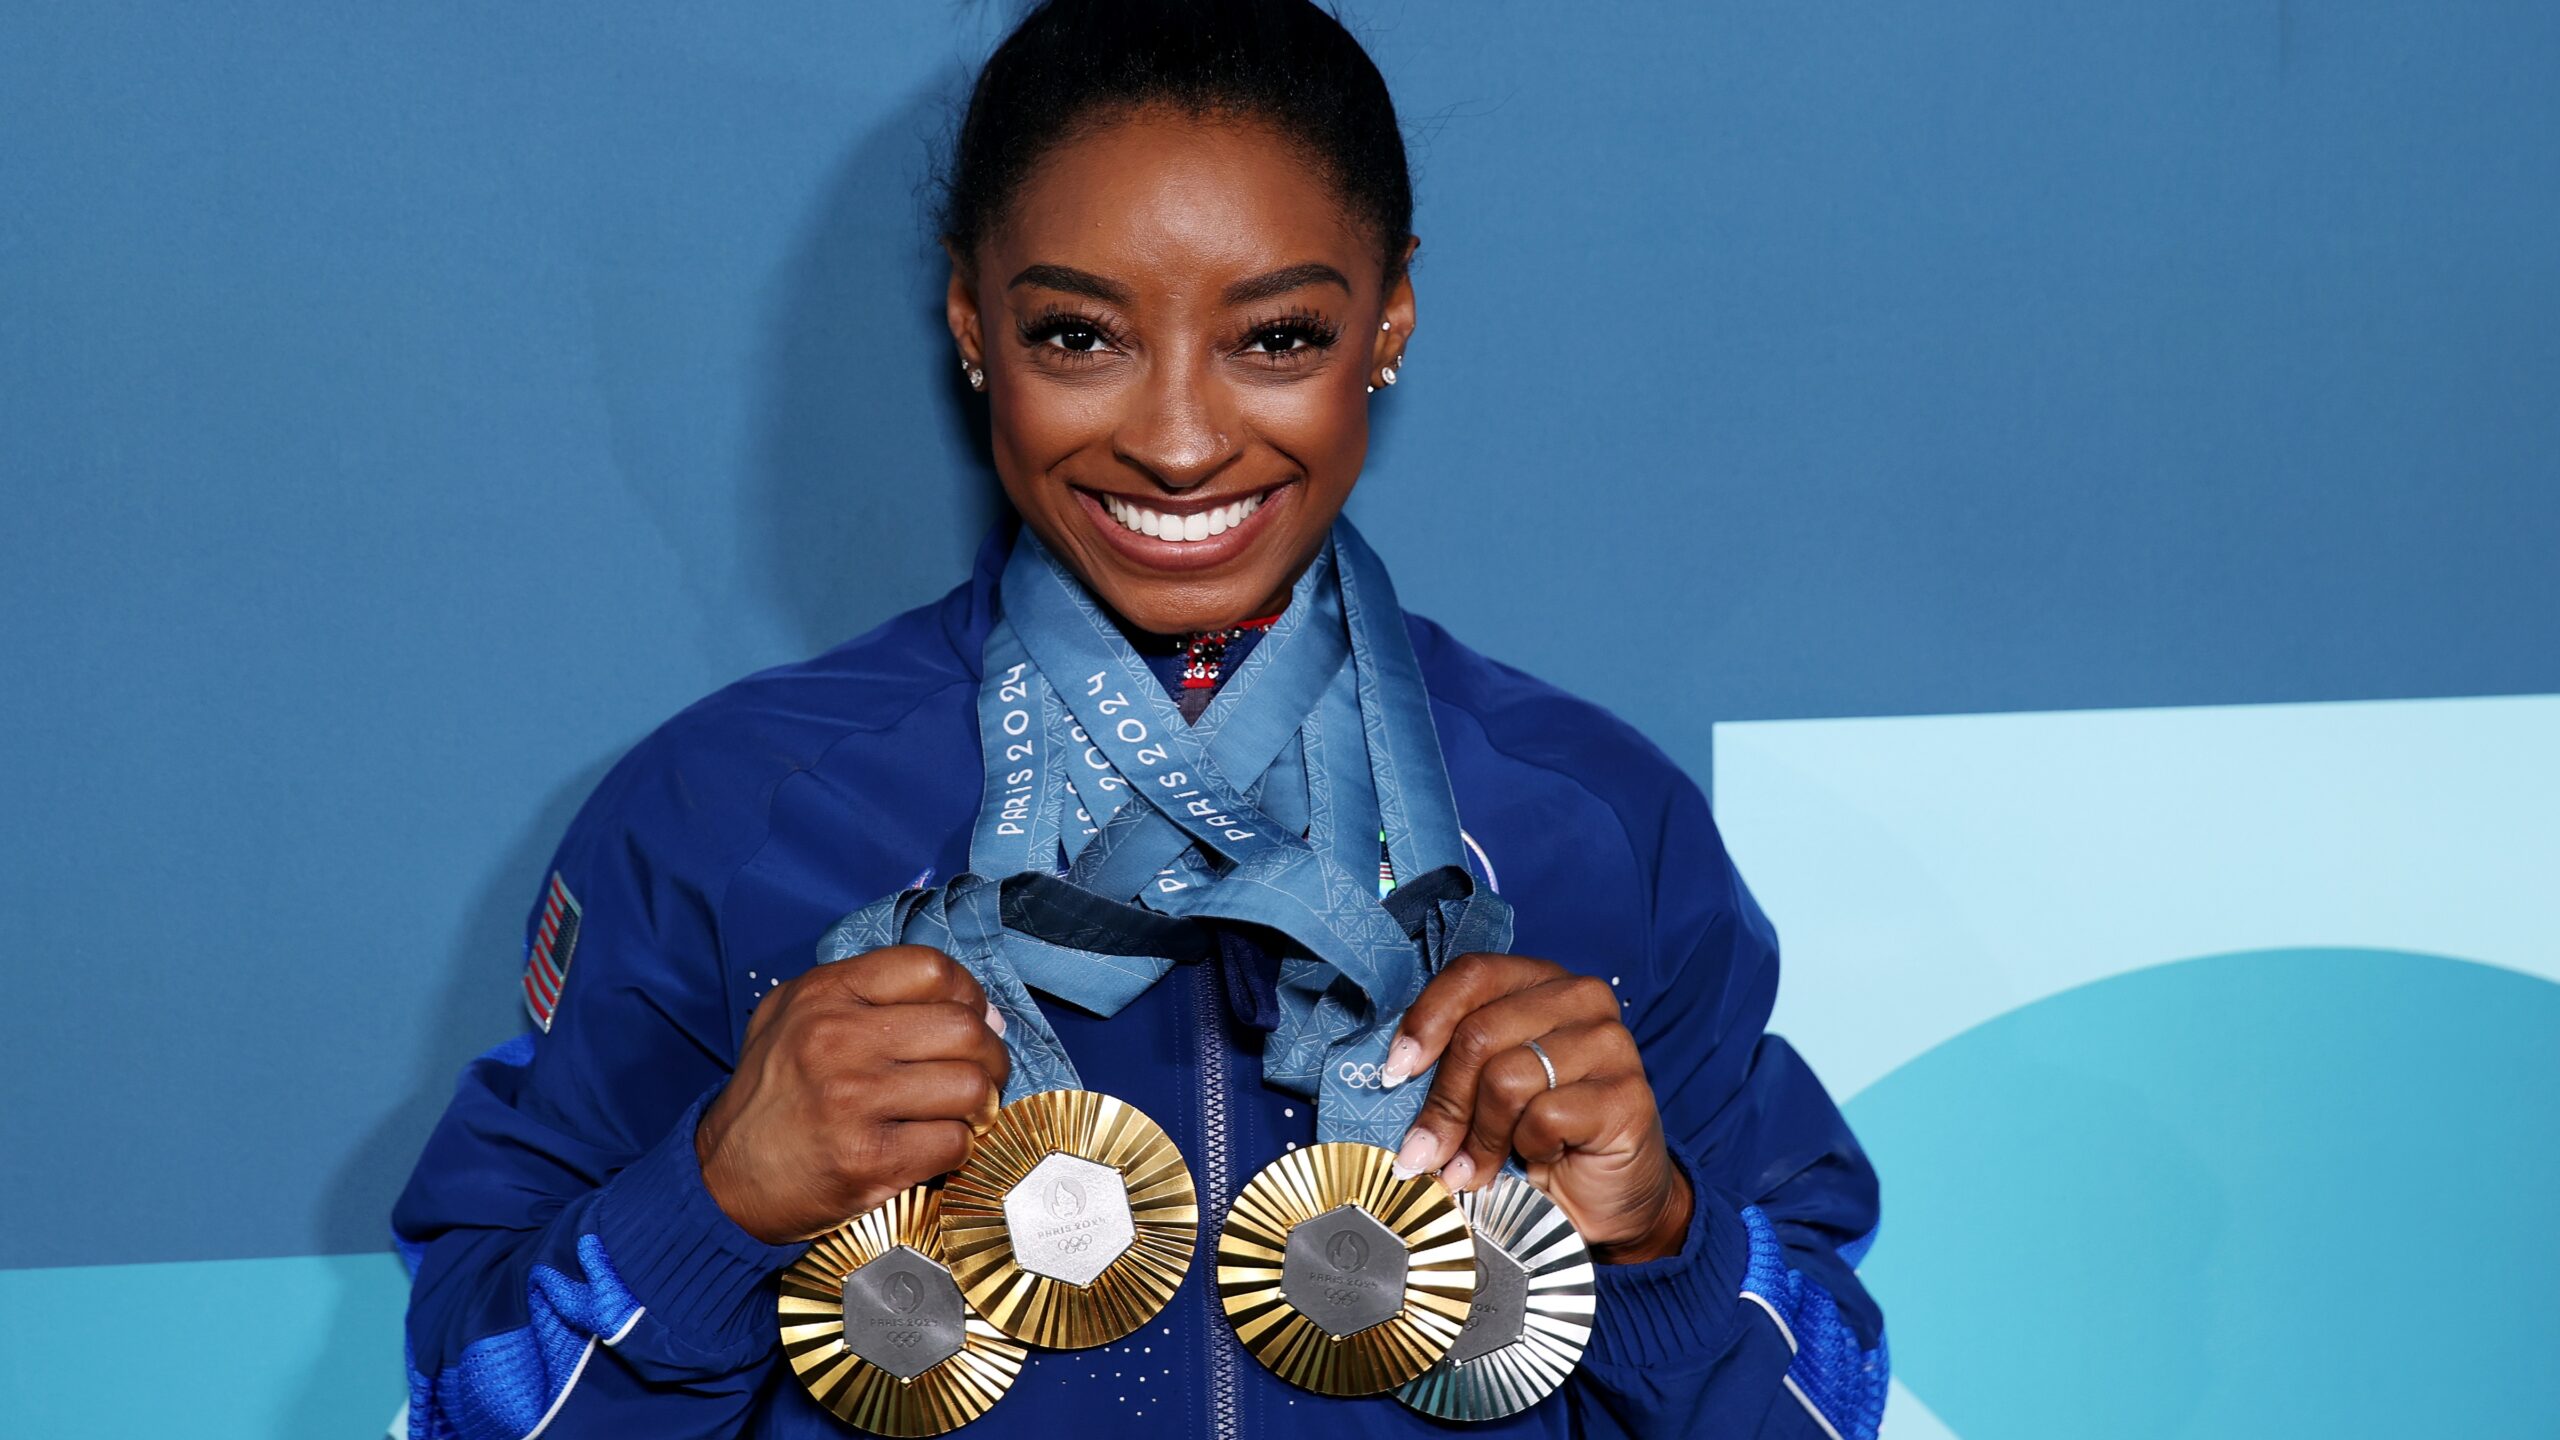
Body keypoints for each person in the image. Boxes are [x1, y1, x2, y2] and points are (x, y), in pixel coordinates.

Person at [393, 3, 1885, 1436]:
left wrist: (1663, 1240)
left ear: (1392, 317)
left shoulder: (1589, 823)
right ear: (972, 318)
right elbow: (472, 1405)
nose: (1177, 443)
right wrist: (707, 1203)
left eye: (1279, 337)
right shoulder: (730, 814)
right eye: (1079, 338)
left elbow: (1825, 1412)